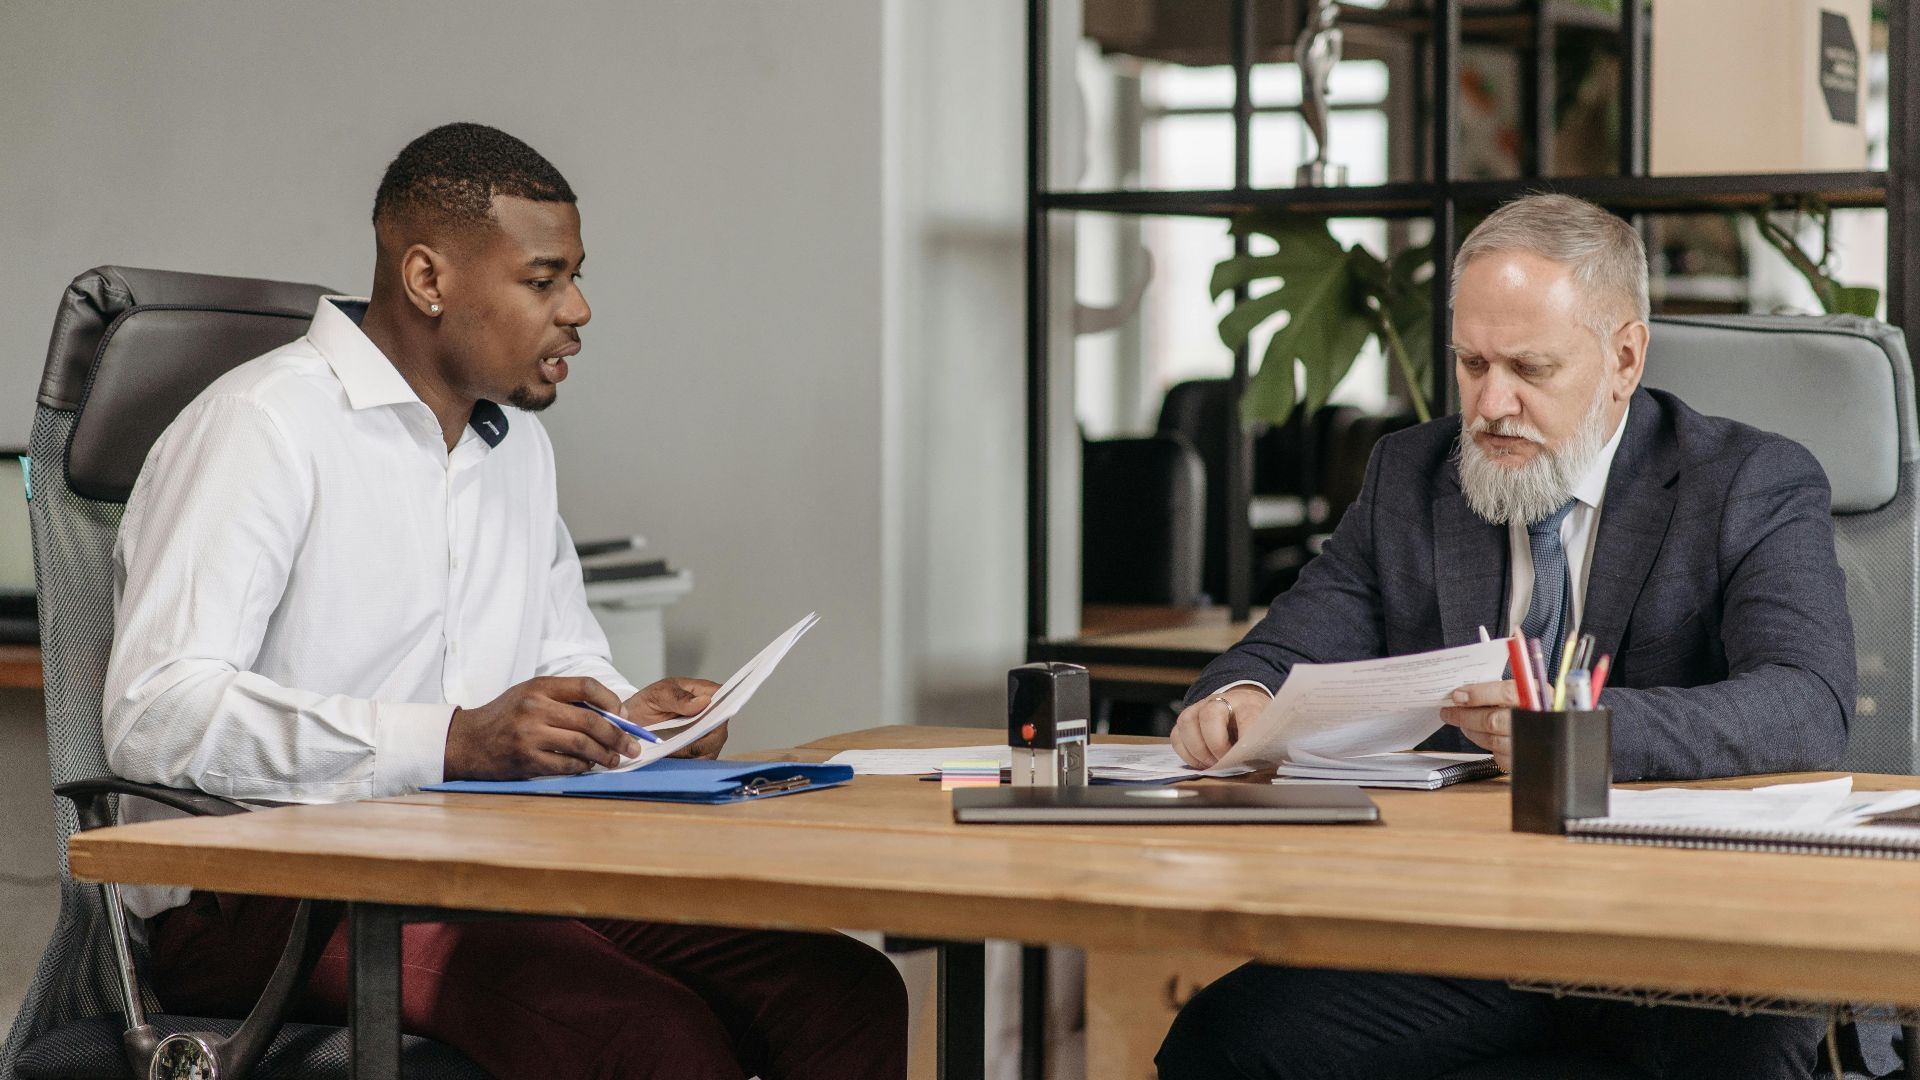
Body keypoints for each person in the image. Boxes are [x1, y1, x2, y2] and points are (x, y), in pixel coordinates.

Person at [103, 122, 907, 1080]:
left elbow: (568, 657)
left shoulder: (514, 448)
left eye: (575, 276)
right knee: (640, 1036)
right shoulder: (262, 427)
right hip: (274, 898)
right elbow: (154, 714)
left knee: (843, 995)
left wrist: (625, 723)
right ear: (429, 280)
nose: (579, 308)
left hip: (494, 864)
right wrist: (449, 740)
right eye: (543, 280)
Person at [1157, 193, 1854, 1080]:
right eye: (1471, 361)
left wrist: (1569, 729)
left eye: (1530, 366)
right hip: (1473, 927)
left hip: (1684, 929)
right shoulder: (1413, 475)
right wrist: (1238, 697)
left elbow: (1807, 701)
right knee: (1226, 1045)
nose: (1492, 402)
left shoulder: (1750, 480)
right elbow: (1289, 641)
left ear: (1624, 359)